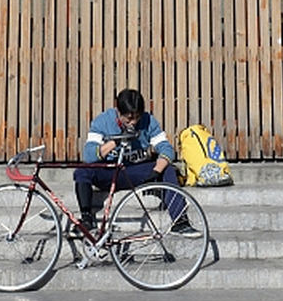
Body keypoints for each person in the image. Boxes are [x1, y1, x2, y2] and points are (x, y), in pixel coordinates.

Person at [73, 87, 195, 236]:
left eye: (136, 117)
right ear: (118, 110)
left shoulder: (148, 121)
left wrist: (157, 170)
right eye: (128, 118)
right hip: (110, 171)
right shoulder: (102, 121)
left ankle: (180, 221)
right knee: (81, 171)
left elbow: (166, 149)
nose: (133, 122)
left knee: (168, 168)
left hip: (133, 170)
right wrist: (117, 141)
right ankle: (86, 218)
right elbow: (89, 155)